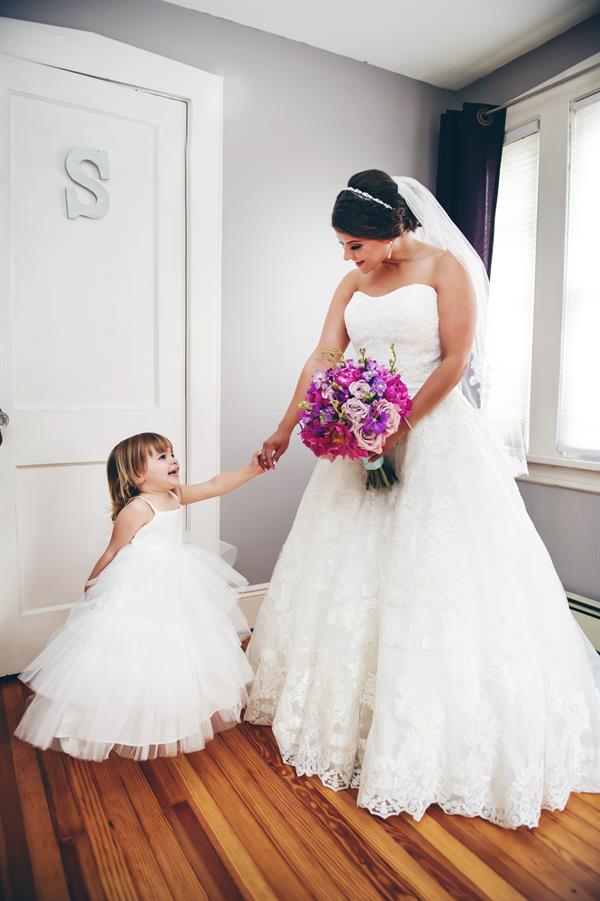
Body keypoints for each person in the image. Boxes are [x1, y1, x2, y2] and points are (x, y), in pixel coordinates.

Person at [244, 170, 600, 829]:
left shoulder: (444, 268)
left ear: (388, 230)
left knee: (436, 577)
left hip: (432, 435)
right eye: (342, 245)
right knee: (350, 577)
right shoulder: (353, 283)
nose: (346, 257)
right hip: (363, 437)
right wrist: (286, 426)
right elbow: (324, 358)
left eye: (354, 244)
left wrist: (398, 425)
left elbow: (455, 361)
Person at [15, 432, 265, 761]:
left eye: (171, 453)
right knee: (131, 649)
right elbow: (113, 551)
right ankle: (97, 717)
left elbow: (214, 485)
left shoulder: (175, 495)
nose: (173, 460)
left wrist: (252, 469)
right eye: (162, 457)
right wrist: (93, 584)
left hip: (177, 580)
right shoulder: (137, 508)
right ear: (137, 474)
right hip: (141, 584)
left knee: (177, 646)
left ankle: (168, 707)